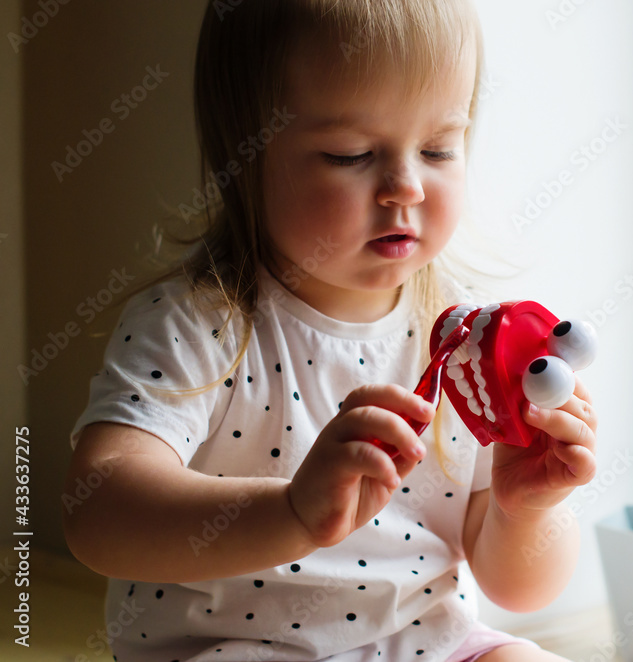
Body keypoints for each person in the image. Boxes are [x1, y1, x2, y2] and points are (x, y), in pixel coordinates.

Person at [61, 1, 599, 661]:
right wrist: (291, 514)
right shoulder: (197, 326)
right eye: (351, 154)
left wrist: (526, 508)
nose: (406, 187)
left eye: (437, 148)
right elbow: (97, 512)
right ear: (248, 158)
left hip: (424, 644)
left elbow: (519, 590)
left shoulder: (464, 343)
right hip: (237, 646)